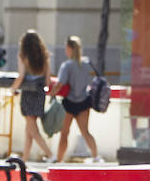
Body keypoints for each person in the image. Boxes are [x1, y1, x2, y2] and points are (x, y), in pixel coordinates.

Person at [8, 29, 54, 161]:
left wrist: (12, 89)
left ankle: (50, 154)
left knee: (32, 129)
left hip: (28, 93)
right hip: (40, 92)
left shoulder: (23, 55)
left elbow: (21, 76)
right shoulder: (45, 56)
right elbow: (48, 80)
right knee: (29, 128)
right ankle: (25, 158)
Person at [55, 36, 103, 163]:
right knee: (86, 132)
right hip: (84, 101)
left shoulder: (67, 65)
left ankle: (58, 159)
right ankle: (96, 157)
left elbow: (60, 83)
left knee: (64, 132)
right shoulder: (86, 63)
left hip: (69, 103)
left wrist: (52, 93)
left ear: (70, 48)